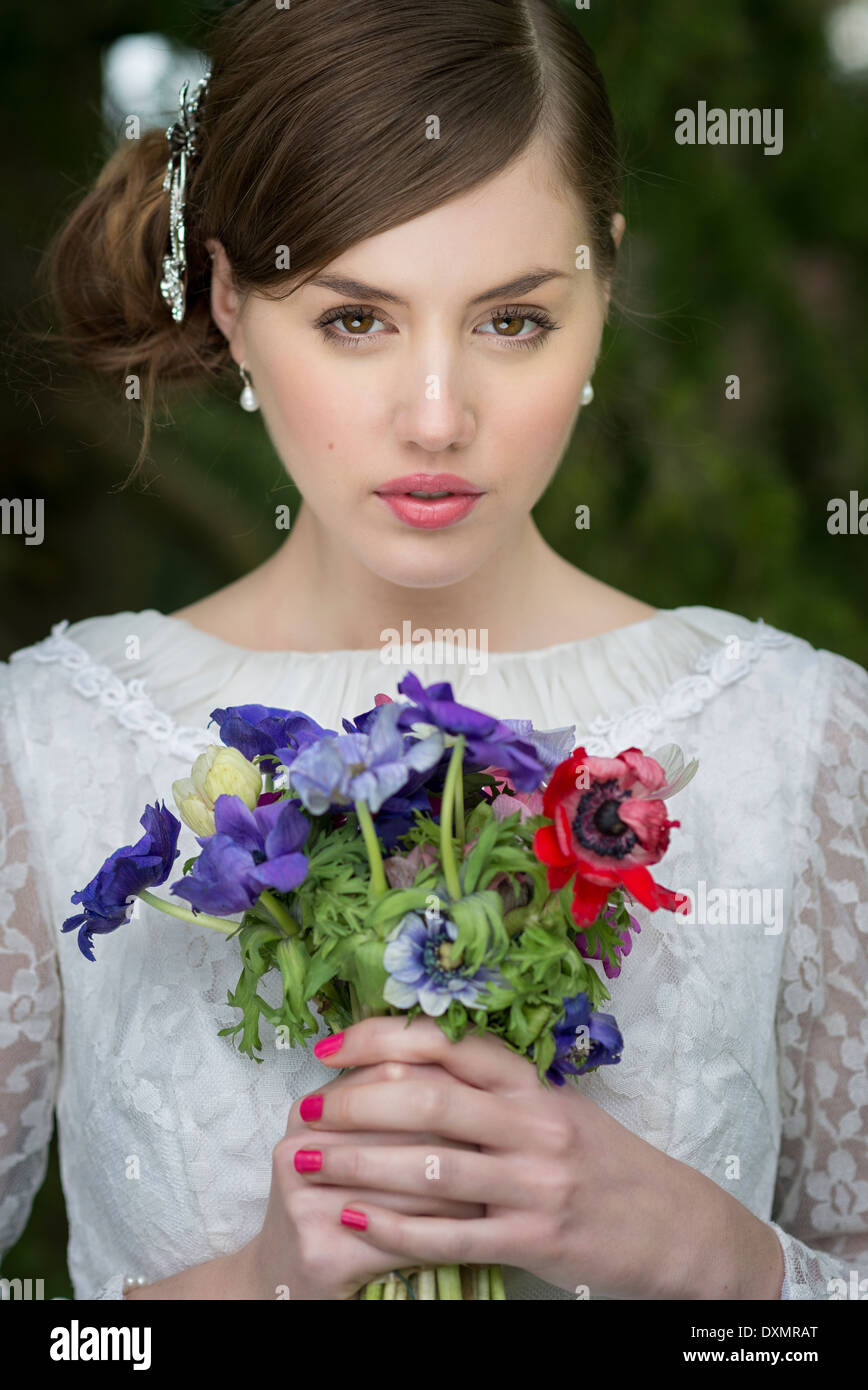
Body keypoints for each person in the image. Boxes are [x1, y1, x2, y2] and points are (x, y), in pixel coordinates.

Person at [1, 0, 865, 1302]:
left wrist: (722, 1260)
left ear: (605, 280)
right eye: (356, 319)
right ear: (229, 297)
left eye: (512, 319)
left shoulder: (808, 740)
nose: (437, 415)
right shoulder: (42, 744)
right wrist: (249, 1287)